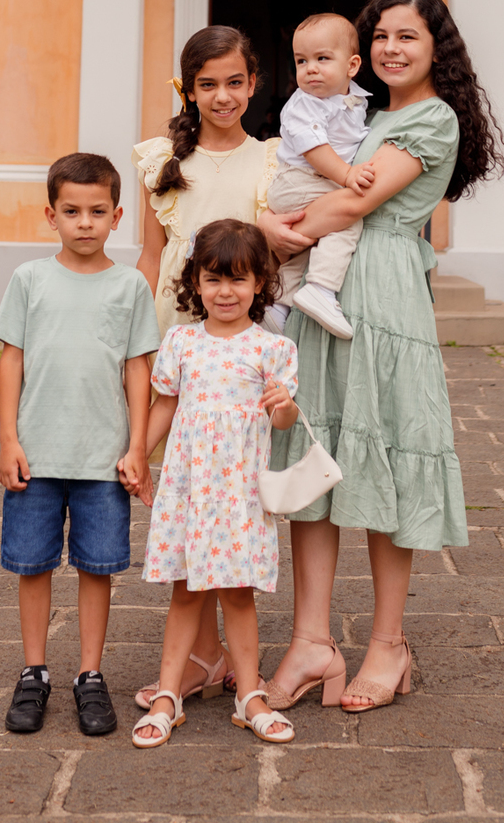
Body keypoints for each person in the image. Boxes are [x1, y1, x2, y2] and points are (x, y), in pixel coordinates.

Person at [259, 0, 504, 714]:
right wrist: (274, 222)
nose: (395, 49)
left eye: (410, 37)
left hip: (384, 295)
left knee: (385, 461)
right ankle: (311, 642)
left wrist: (274, 226)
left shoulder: (432, 118)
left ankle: (388, 644)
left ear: (437, 50)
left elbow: (357, 203)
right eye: (385, 37)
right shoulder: (363, 112)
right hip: (321, 298)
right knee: (316, 459)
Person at [131, 24, 289, 710]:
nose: (222, 96)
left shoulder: (275, 161)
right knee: (178, 499)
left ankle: (212, 656)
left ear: (253, 85)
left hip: (241, 347)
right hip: (176, 342)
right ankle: (199, 656)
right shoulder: (162, 162)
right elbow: (146, 257)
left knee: (227, 502)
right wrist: (134, 341)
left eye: (234, 82)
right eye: (207, 85)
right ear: (188, 91)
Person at [0, 152, 159, 738]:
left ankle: (90, 674)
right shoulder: (30, 280)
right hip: (36, 456)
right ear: (51, 214)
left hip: (101, 459)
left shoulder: (130, 284)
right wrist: (9, 438)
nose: (84, 222)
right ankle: (34, 671)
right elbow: (10, 360)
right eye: (71, 211)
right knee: (32, 565)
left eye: (96, 212)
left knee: (97, 567)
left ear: (116, 216)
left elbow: (139, 370)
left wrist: (138, 446)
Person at [131, 219, 302, 748]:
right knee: (185, 591)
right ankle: (167, 695)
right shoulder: (181, 341)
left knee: (238, 593)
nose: (225, 292)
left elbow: (283, 422)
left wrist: (285, 407)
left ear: (259, 284)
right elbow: (166, 404)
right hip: (189, 489)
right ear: (196, 284)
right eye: (213, 280)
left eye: (239, 280)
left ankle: (249, 694)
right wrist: (138, 452)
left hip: (239, 494)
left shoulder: (273, 350)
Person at [263, 12, 376, 340]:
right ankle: (322, 289)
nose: (310, 68)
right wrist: (347, 174)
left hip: (313, 182)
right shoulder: (305, 104)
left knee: (313, 245)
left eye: (322, 58)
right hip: (299, 181)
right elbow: (315, 149)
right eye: (301, 61)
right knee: (346, 220)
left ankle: (278, 304)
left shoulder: (353, 99)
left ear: (352, 66)